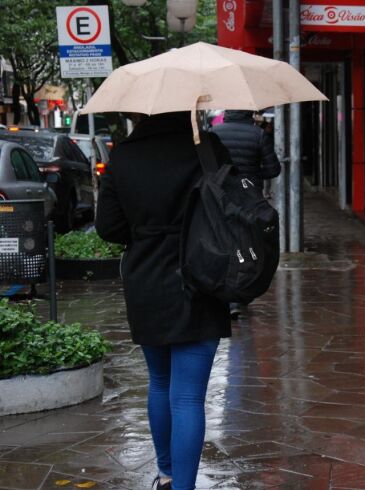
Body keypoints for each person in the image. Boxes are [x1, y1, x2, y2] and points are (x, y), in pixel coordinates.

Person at [96, 112, 232, 490]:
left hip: (148, 280)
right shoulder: (208, 147)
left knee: (159, 381)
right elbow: (232, 206)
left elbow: (108, 226)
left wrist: (145, 232)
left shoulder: (124, 155)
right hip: (203, 275)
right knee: (188, 396)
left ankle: (167, 475)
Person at [211, 110, 281, 318]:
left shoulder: (214, 133)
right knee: (248, 244)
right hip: (250, 197)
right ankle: (240, 294)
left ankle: (225, 292)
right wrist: (251, 174)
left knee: (225, 243)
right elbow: (273, 170)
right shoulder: (258, 135)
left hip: (222, 197)